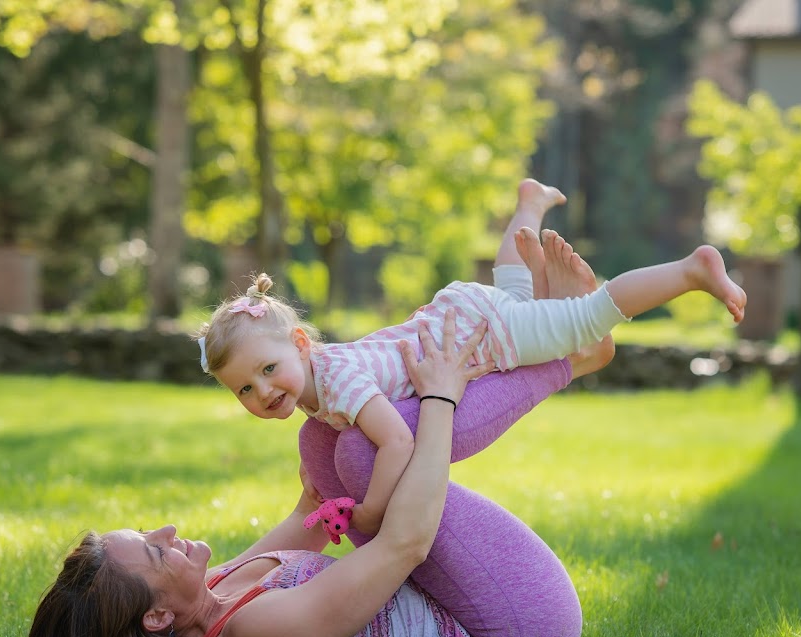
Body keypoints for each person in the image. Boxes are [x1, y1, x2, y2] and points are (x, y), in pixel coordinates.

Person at [25, 307, 609, 637]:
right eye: (156, 552)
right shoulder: (252, 636)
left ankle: (532, 339)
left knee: (326, 438)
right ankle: (557, 359)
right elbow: (406, 542)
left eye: (149, 533)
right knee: (360, 453)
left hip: (460, 596)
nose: (168, 533)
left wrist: (340, 382)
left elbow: (311, 512)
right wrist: (439, 399)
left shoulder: (215, 589)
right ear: (156, 617)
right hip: (516, 632)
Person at [196, 179, 746, 534]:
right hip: (458, 314)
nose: (264, 392)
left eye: (268, 371)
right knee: (511, 285)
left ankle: (690, 271)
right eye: (245, 388)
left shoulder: (336, 381)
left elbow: (397, 441)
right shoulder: (316, 384)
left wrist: (371, 511)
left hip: (481, 338)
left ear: (300, 345)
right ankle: (528, 204)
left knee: (587, 318)